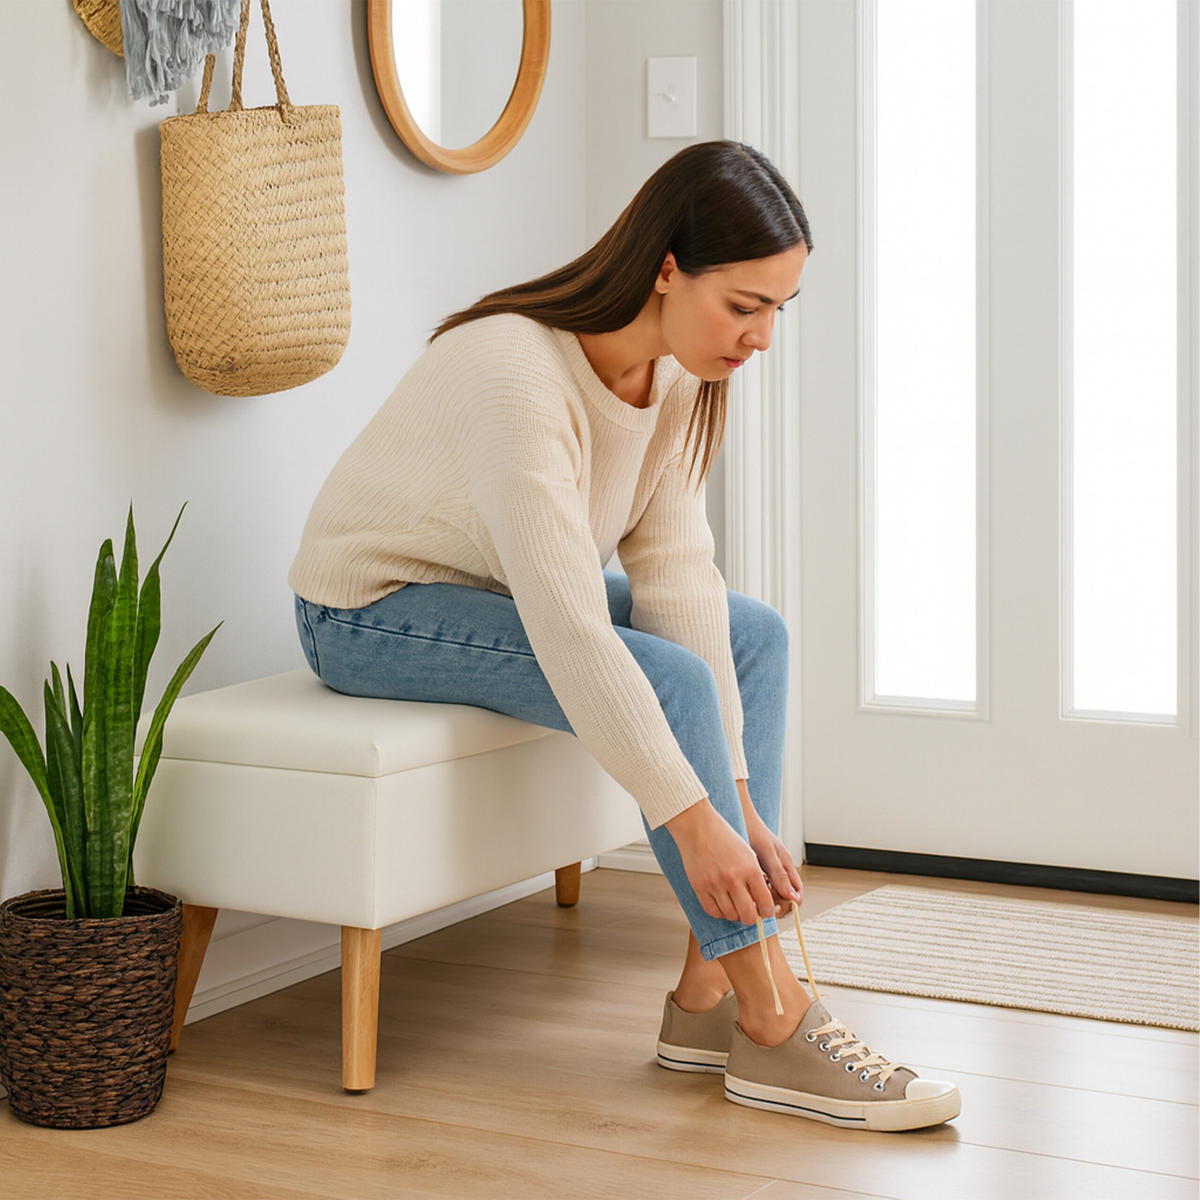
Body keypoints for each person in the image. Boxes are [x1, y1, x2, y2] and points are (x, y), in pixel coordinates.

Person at [288, 140, 960, 1131]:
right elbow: (568, 624)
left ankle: (705, 1001)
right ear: (665, 269)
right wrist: (694, 821)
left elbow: (680, 580)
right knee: (673, 680)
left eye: (780, 309)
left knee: (752, 635)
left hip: (497, 596)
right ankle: (773, 1015)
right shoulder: (514, 373)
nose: (763, 337)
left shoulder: (681, 378)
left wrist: (738, 804)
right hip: (371, 612)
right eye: (745, 306)